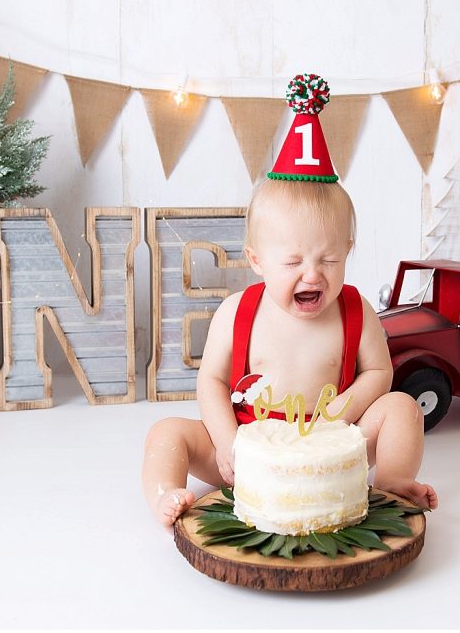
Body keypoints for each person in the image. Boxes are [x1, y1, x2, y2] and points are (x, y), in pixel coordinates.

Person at [142, 74, 438, 527]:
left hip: (330, 447)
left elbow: (379, 372)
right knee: (167, 433)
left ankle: (393, 482)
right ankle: (166, 494)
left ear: (348, 251)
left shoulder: (355, 311)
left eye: (329, 259)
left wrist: (342, 413)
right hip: (246, 448)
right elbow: (212, 381)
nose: (313, 274)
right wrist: (226, 442)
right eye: (293, 262)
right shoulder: (237, 312)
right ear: (257, 260)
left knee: (402, 407)